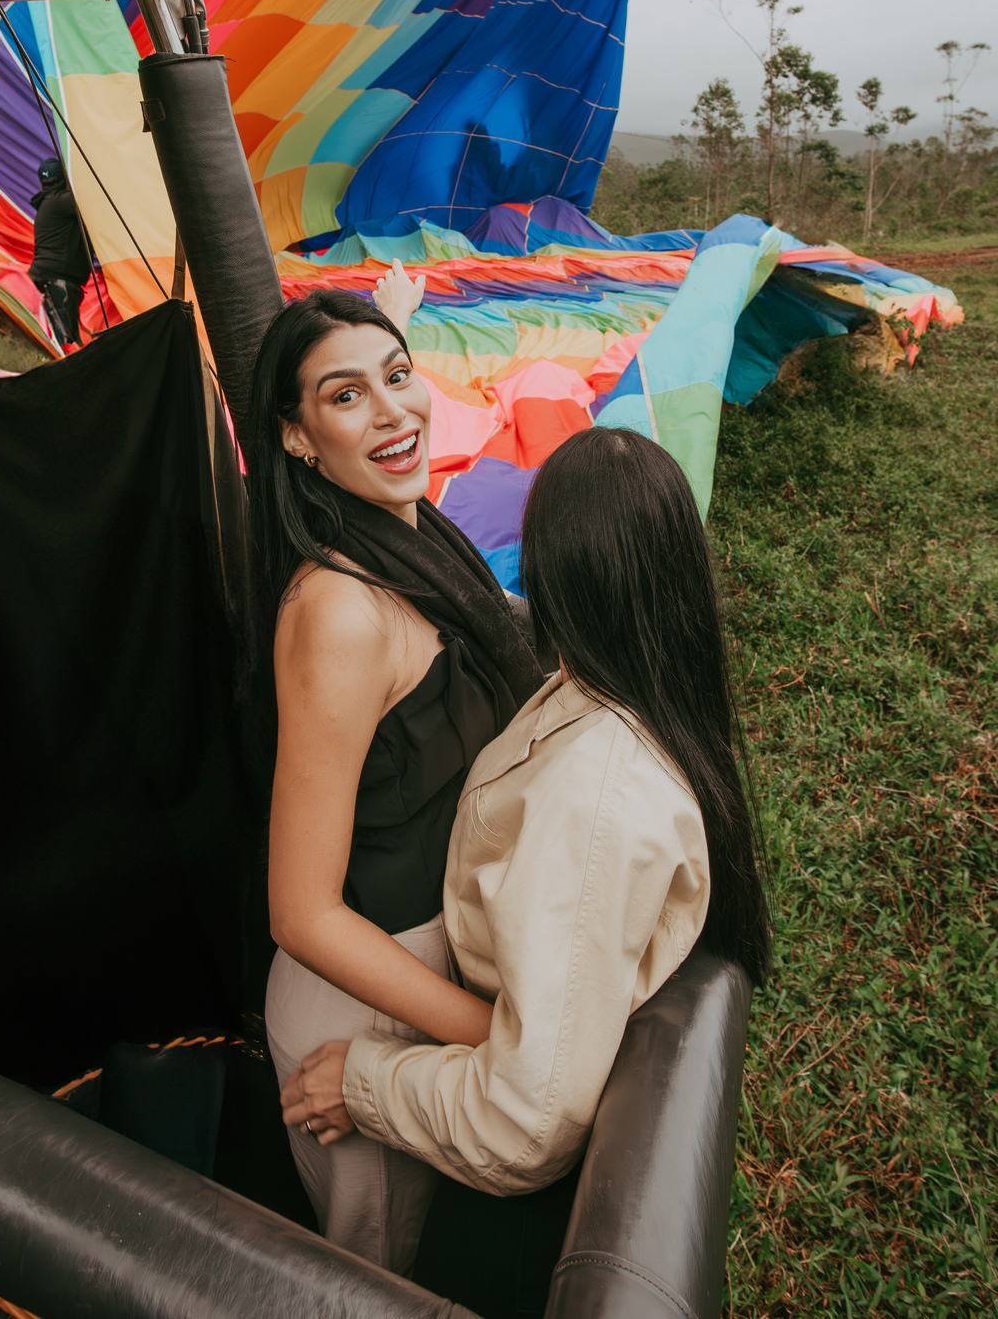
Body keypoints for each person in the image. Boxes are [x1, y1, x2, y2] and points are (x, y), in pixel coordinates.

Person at [280, 425, 771, 1213]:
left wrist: (366, 1081)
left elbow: (524, 1118)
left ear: (549, 574)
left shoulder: (593, 805)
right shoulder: (627, 684)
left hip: (394, 1058)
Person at [247, 276, 541, 1276]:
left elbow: (381, 403)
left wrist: (384, 331)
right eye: (345, 396)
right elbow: (301, 910)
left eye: (400, 379)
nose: (393, 412)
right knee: (382, 1279)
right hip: (368, 1010)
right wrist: (492, 1034)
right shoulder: (340, 611)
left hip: (436, 973)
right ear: (295, 438)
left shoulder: (415, 539)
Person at [28, 158, 92, 348]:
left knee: (65, 344)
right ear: (65, 178)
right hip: (57, 283)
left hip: (48, 280)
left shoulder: (49, 203)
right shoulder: (61, 202)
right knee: (68, 346)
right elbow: (93, 198)